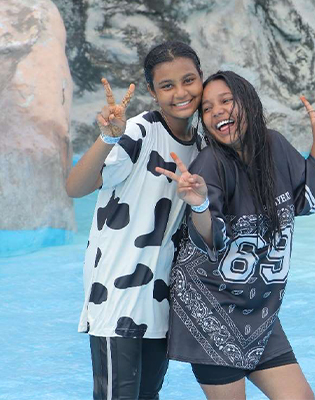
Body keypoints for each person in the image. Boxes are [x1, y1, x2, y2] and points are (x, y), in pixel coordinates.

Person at [156, 70, 315, 400]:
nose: (217, 112)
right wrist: (199, 205)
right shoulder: (210, 163)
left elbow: (305, 198)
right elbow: (210, 238)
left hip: (259, 311)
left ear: (249, 104)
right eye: (208, 108)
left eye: (226, 101)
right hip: (210, 309)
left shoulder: (273, 145)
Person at [66, 41, 204, 400]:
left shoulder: (202, 146)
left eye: (189, 80)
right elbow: (75, 186)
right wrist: (108, 137)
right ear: (152, 92)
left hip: (159, 301)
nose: (180, 93)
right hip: (117, 295)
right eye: (167, 85)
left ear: (202, 79)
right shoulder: (140, 131)